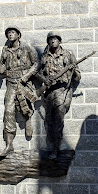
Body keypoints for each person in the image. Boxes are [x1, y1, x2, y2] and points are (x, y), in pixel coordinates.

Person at [37, 31, 80, 159]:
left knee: (58, 120)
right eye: (50, 39)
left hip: (62, 91)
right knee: (48, 121)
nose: (53, 41)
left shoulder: (68, 54)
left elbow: (77, 76)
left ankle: (56, 149)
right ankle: (51, 146)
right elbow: (38, 73)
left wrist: (72, 71)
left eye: (55, 39)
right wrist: (44, 80)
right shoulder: (44, 57)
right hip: (49, 92)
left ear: (60, 41)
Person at [0, 26, 38, 158]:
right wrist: (0, 69)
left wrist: (27, 76)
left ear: (18, 35)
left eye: (13, 33)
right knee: (8, 110)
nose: (10, 35)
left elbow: (37, 64)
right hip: (10, 82)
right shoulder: (5, 50)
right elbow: (2, 66)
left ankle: (28, 120)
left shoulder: (27, 47)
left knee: (24, 105)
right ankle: (9, 144)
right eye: (8, 33)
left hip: (24, 82)